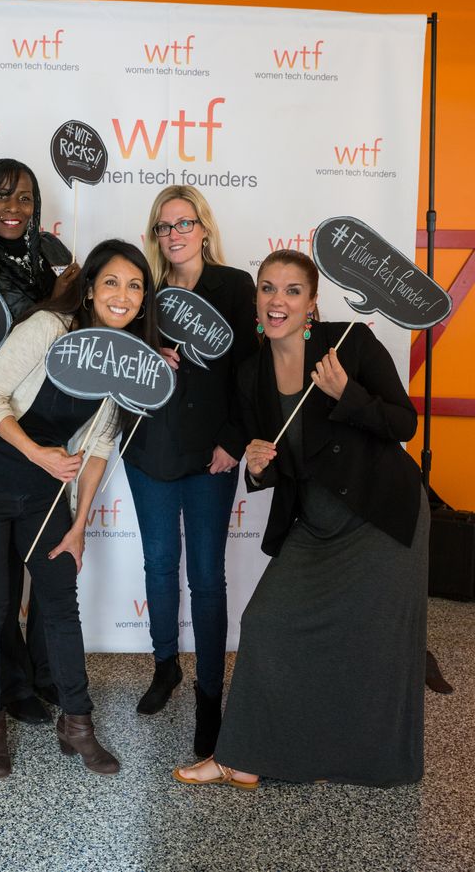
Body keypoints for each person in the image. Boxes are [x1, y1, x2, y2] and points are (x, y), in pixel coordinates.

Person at [173, 249, 428, 789]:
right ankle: (240, 756)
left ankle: (374, 762)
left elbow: (404, 423)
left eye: (292, 291)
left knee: (375, 644)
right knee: (266, 621)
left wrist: (347, 395)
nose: (277, 301)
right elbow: (271, 460)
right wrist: (258, 466)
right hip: (315, 523)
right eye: (268, 289)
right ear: (257, 299)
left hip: (380, 516)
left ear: (312, 303)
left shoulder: (350, 343)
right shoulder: (251, 374)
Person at [0, 239, 160, 779]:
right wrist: (39, 452)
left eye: (135, 286)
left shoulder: (123, 364)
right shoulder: (47, 329)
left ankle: (77, 724)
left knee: (61, 606)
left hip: (44, 495)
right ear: (89, 288)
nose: (122, 294)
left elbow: (98, 450)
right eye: (111, 281)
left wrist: (80, 524)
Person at [123, 186, 258, 757]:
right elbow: (118, 365)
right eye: (163, 226)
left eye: (184, 223)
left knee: (205, 576)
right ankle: (164, 666)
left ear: (203, 227)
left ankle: (210, 693)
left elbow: (251, 372)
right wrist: (146, 354)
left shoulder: (233, 287)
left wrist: (234, 441)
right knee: (158, 564)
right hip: (149, 449)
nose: (174, 234)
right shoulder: (143, 293)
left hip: (211, 456)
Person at [0, 158, 78, 726]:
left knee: (47, 565)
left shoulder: (50, 258)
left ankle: (44, 675)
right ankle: (12, 687)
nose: (13, 208)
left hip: (51, 429)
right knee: (3, 575)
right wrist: (53, 300)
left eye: (25, 198)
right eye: (1, 196)